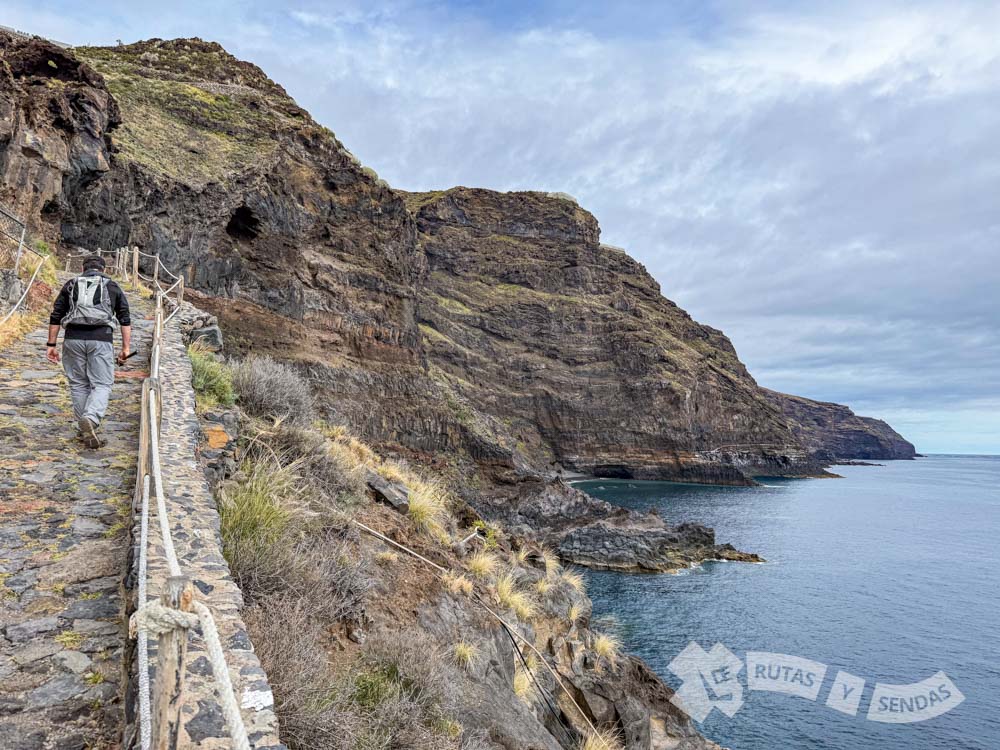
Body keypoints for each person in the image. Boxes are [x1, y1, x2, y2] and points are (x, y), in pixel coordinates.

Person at [46, 255, 132, 449]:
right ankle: (91, 419)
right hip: (100, 339)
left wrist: (51, 344)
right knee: (102, 383)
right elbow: (125, 318)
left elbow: (56, 315)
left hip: (73, 339)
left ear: (83, 269)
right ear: (104, 269)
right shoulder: (112, 286)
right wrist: (125, 348)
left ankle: (83, 426)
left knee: (78, 384)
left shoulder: (71, 284)